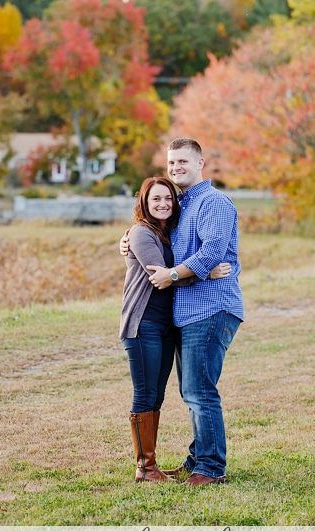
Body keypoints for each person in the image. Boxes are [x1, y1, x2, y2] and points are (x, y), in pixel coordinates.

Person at [121, 138, 244, 486]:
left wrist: (173, 274)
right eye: (172, 162)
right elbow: (153, 237)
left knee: (199, 390)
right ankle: (197, 459)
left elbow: (211, 254)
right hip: (186, 312)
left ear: (201, 162)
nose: (176, 168)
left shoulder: (214, 202)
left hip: (212, 306)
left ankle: (210, 467)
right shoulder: (183, 206)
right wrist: (128, 242)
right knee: (192, 390)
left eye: (183, 161)